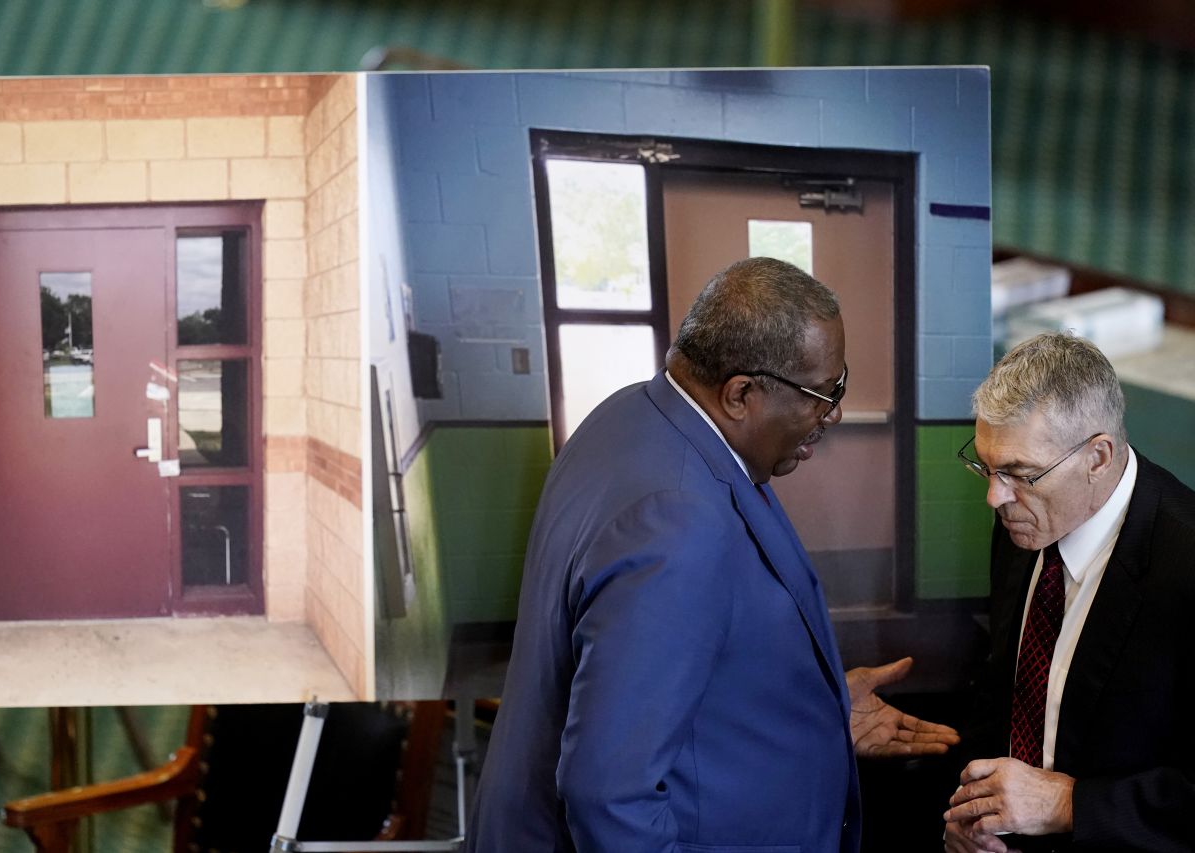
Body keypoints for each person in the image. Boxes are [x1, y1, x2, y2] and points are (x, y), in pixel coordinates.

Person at [468, 257, 958, 853]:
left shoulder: (634, 414)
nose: (829, 415)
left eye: (838, 388)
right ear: (740, 394)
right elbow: (610, 794)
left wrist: (813, 710)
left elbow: (662, 672)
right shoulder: (677, 519)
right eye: (819, 396)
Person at [943, 332, 1195, 852]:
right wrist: (973, 819)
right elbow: (1006, 695)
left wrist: (1068, 806)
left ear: (1098, 457)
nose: (994, 497)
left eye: (1019, 474)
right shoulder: (1026, 521)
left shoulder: (1185, 564)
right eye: (987, 468)